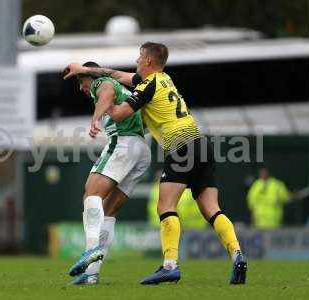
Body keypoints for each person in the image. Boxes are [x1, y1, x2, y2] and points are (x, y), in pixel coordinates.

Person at [64, 42, 247, 285]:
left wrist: (104, 107)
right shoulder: (165, 79)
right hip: (202, 144)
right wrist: (83, 70)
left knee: (165, 206)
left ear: (149, 61)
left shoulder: (148, 85)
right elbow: (117, 75)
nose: (137, 60)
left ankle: (170, 265)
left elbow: (118, 111)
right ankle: (237, 255)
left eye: (140, 56)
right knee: (212, 209)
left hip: (181, 146)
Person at [67, 62, 151, 285]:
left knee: (91, 194)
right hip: (141, 150)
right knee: (108, 210)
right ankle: (92, 273)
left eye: (81, 81)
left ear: (89, 76)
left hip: (123, 144)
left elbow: (106, 91)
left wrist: (96, 118)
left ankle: (91, 249)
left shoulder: (102, 82)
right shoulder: (126, 90)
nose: (81, 88)